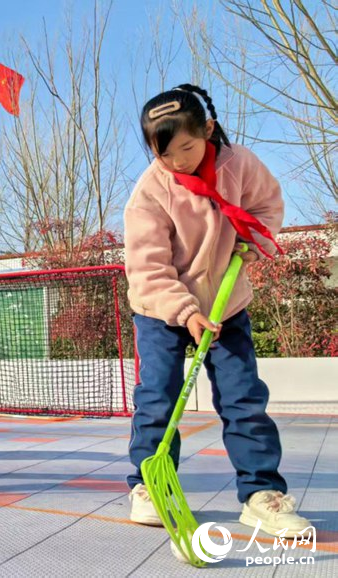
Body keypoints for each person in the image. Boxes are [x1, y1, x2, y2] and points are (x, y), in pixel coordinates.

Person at [124, 84, 311, 536]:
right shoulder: (150, 192)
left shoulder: (238, 164)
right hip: (162, 308)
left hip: (227, 303)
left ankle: (261, 493)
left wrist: (252, 239)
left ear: (207, 130)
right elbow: (148, 268)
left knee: (244, 397)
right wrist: (185, 311)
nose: (177, 161)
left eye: (186, 147)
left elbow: (267, 205)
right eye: (164, 153)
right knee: (158, 398)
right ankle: (151, 485)